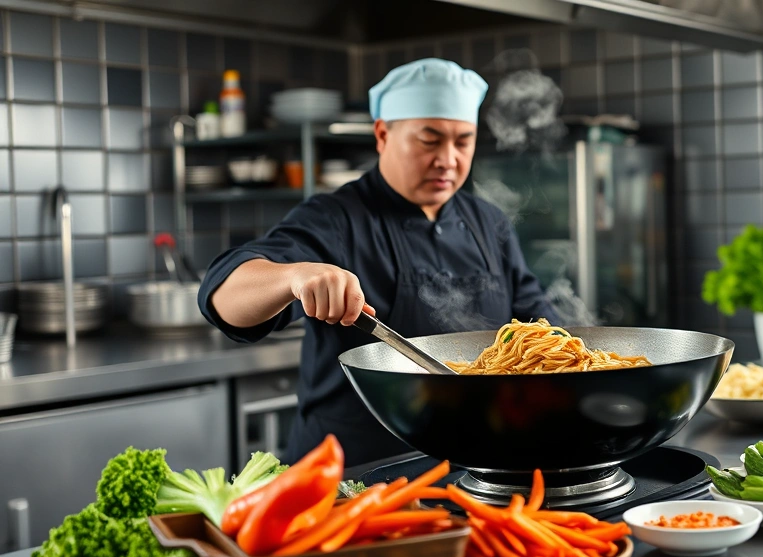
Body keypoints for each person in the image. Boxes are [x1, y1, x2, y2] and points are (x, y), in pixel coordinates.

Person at [198, 59, 560, 466]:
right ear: (383, 135)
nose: (448, 159)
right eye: (429, 140)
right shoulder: (335, 218)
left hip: (471, 471)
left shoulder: (487, 222)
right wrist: (296, 275)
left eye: (463, 141)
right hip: (349, 479)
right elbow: (222, 296)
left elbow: (544, 330)